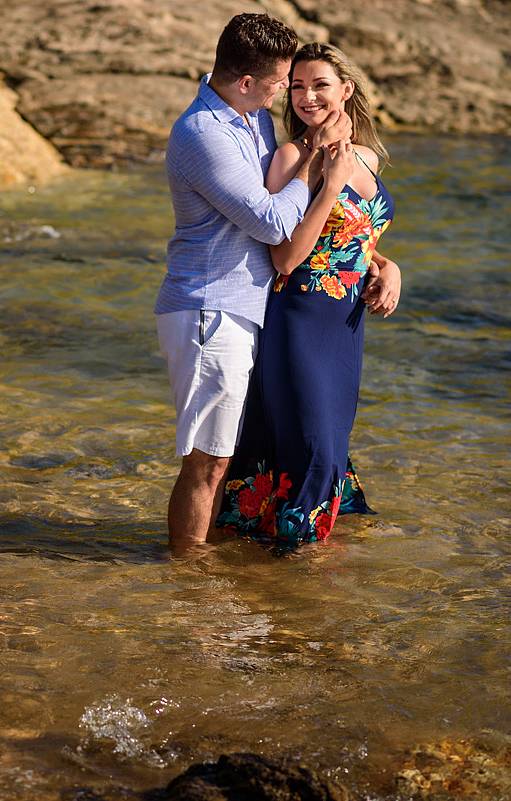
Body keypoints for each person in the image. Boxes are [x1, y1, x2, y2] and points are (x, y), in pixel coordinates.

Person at [155, 13, 358, 555]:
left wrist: (380, 261)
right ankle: (188, 575)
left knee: (230, 456)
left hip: (244, 308)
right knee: (208, 460)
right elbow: (270, 222)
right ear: (246, 81)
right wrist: (317, 167)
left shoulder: (252, 118)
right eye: (280, 83)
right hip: (209, 308)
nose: (285, 95)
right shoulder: (202, 133)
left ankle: (207, 562)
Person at [215, 42, 402, 546]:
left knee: (328, 444)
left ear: (347, 90)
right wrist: (327, 179)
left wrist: (390, 266)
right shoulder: (290, 158)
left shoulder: (367, 158)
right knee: (314, 447)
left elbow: (356, 237)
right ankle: (295, 559)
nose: (307, 96)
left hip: (344, 327)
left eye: (320, 85)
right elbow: (285, 256)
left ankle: (286, 568)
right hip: (298, 320)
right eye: (297, 86)